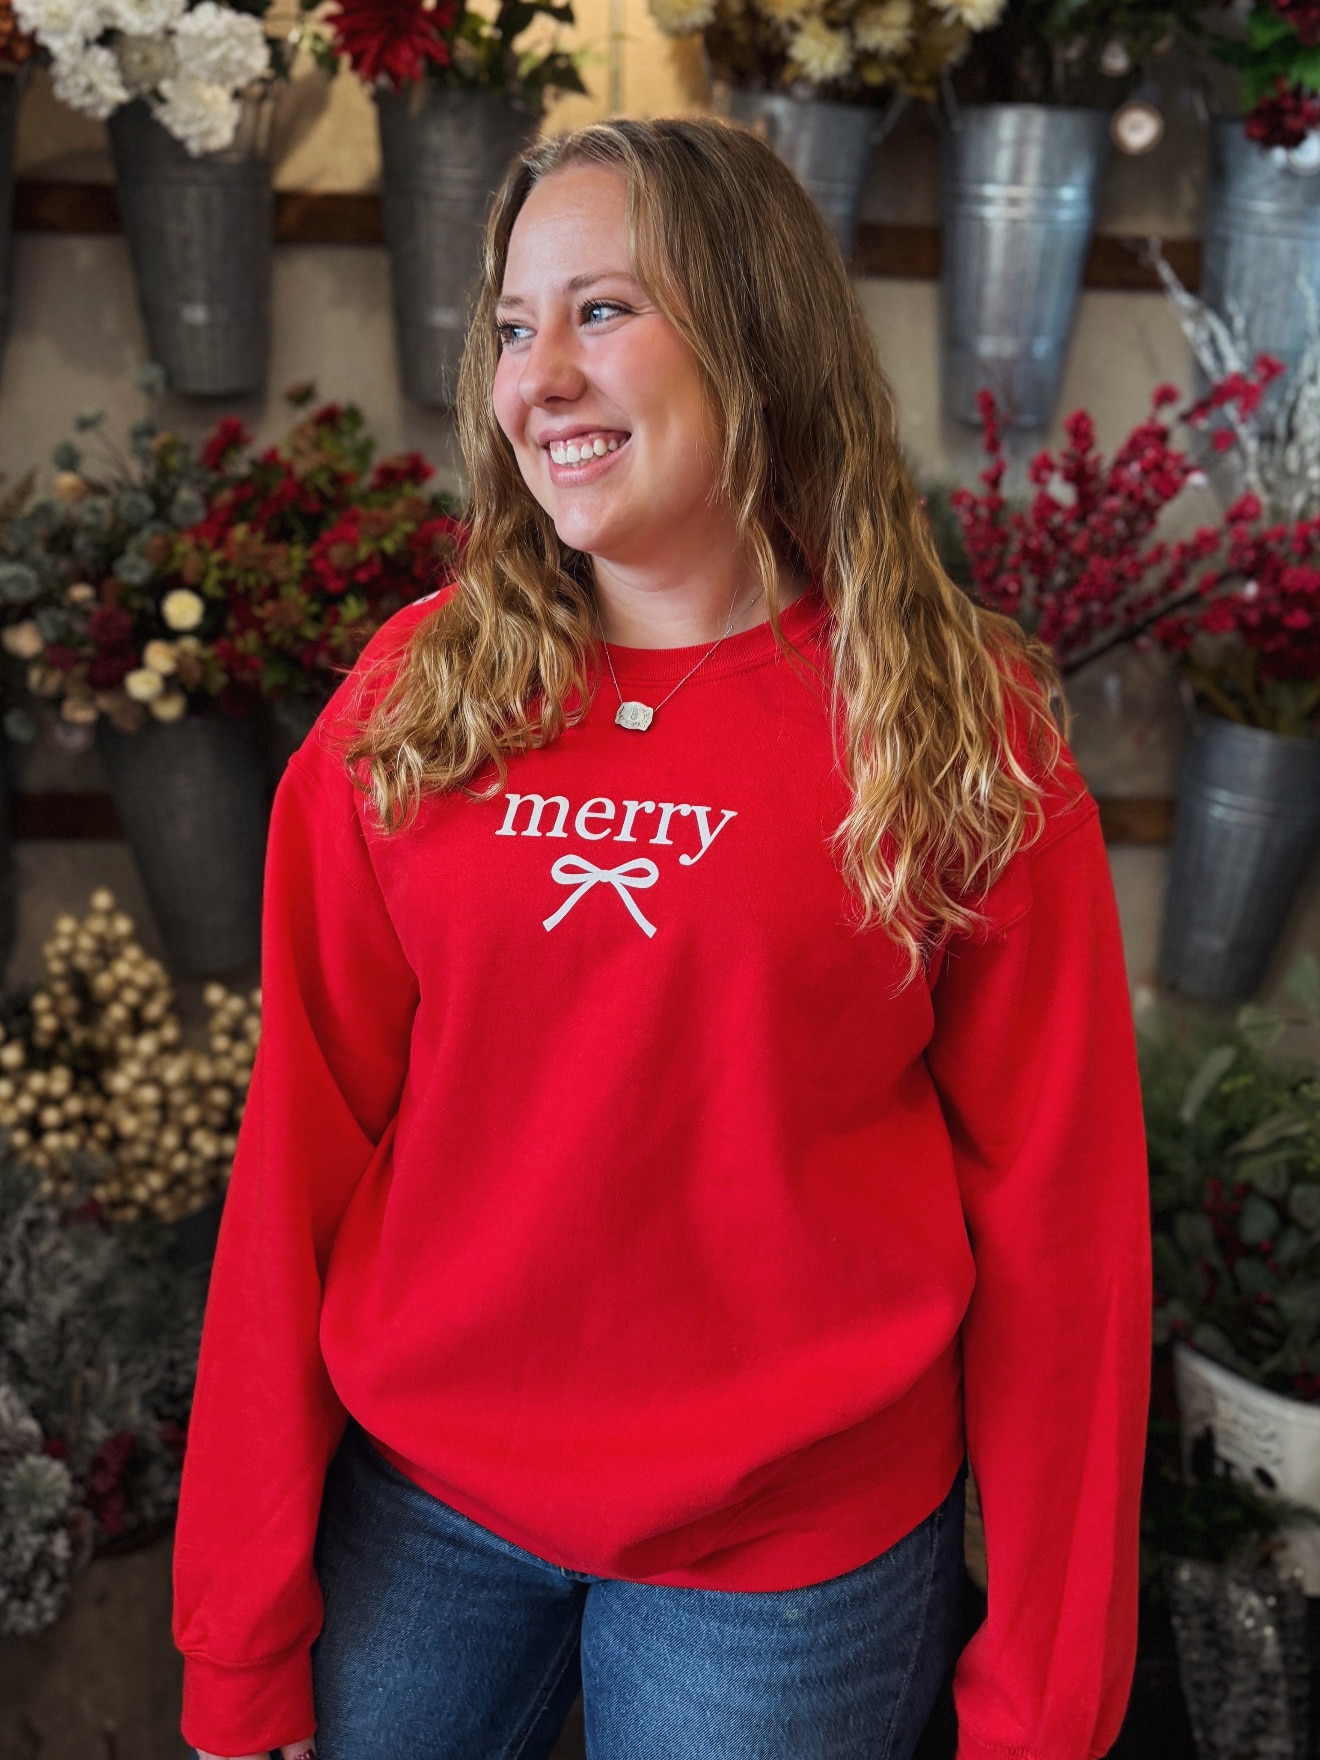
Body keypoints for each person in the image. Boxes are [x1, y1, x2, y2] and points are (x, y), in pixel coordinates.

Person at [173, 116, 1151, 1760]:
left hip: (789, 1558)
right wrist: (240, 1621)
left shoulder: (955, 725)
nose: (536, 375)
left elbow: (1063, 1221)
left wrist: (1047, 1701)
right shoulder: (413, 705)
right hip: (428, 1506)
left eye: (603, 311)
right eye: (510, 325)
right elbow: (297, 1164)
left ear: (757, 336)